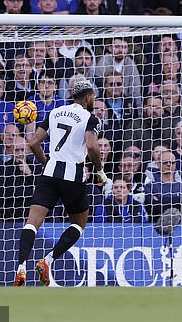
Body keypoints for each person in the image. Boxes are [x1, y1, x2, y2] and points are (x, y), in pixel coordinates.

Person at [14, 80, 108, 286]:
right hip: (72, 176)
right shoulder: (91, 118)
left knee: (32, 223)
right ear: (88, 97)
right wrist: (100, 171)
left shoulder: (55, 112)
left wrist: (46, 162)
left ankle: (21, 266)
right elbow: (92, 146)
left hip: (49, 174)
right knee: (78, 224)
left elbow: (33, 142)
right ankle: (47, 260)